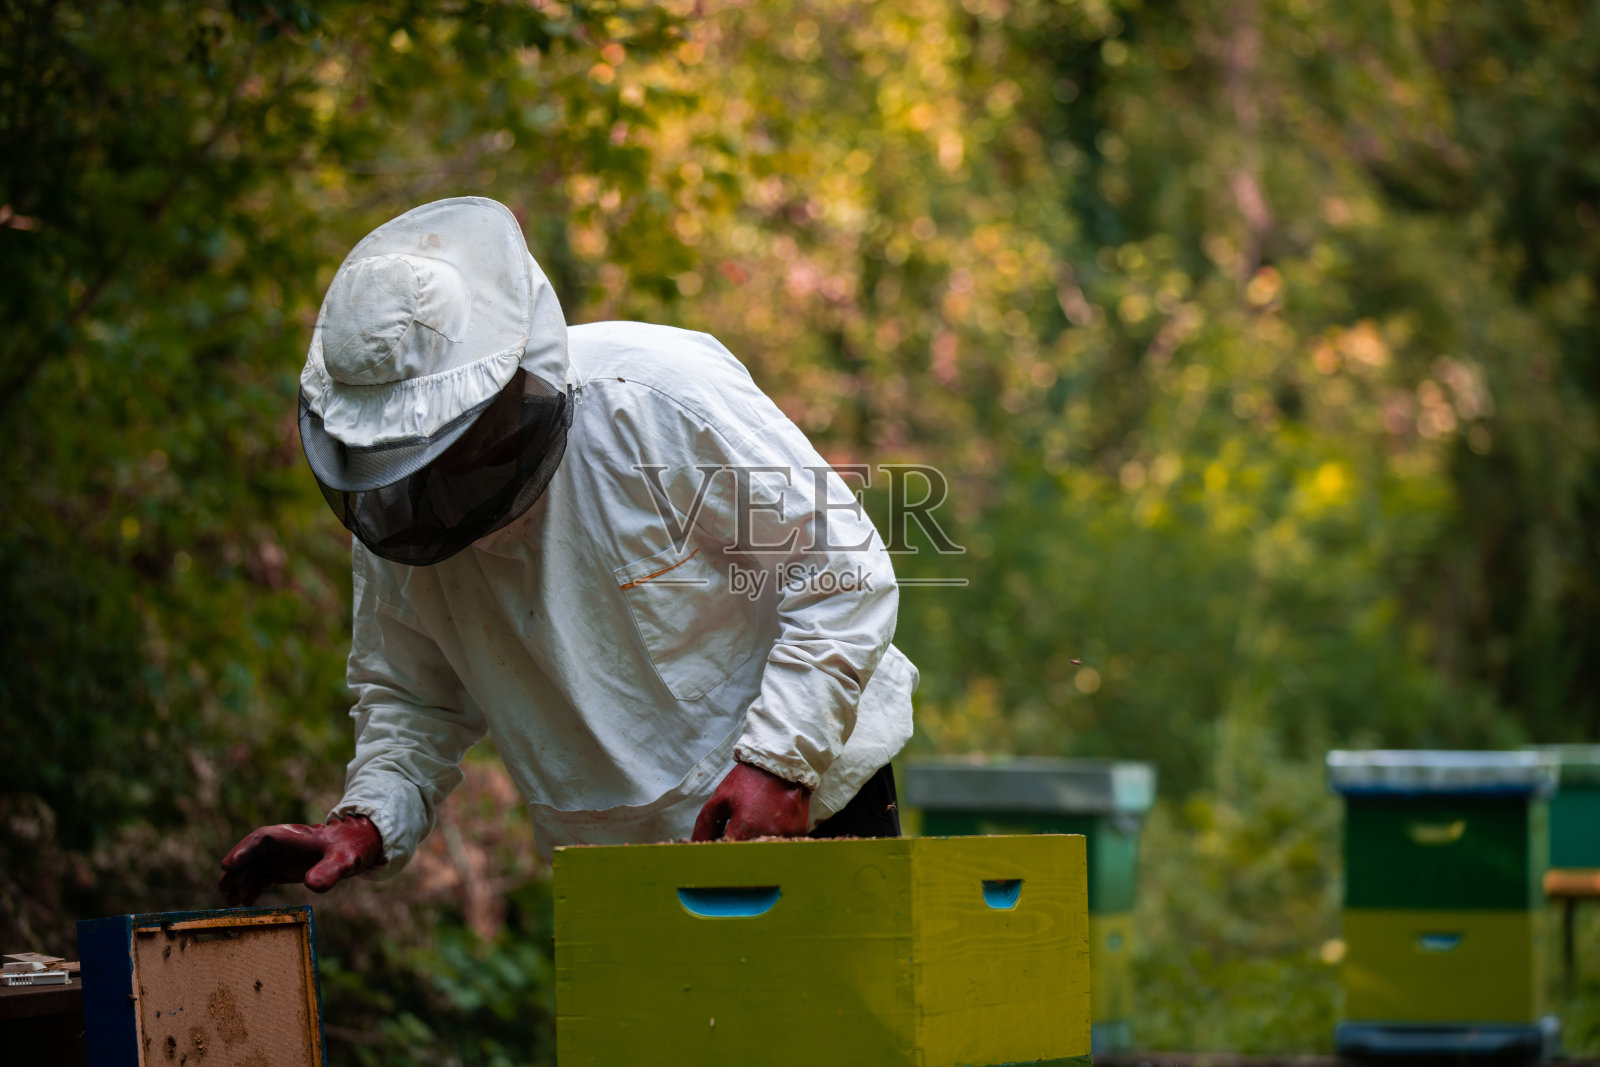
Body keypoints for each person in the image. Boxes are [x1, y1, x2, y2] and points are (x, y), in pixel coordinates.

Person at [219, 197, 916, 904]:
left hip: (807, 804)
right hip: (609, 866)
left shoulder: (654, 397)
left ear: (505, 384)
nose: (428, 471)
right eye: (402, 451)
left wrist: (780, 762)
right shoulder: (396, 501)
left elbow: (838, 571)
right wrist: (366, 822)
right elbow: (410, 694)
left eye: (442, 440)